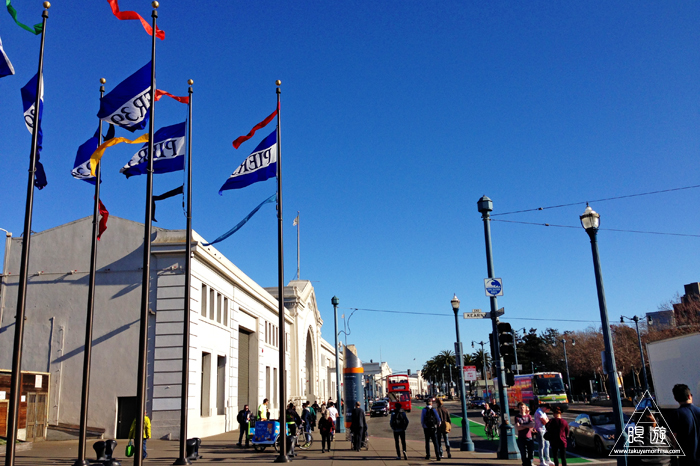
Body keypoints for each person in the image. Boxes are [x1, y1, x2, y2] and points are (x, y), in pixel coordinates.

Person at [671, 384, 700, 466]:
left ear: (675, 398)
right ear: (690, 396)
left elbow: (673, 438)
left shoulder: (676, 414)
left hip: (686, 460)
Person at [515, 402, 535, 466]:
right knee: (523, 453)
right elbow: (518, 428)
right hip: (521, 438)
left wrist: (522, 425)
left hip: (529, 437)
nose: (522, 409)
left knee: (531, 452)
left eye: (523, 407)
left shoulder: (528, 416)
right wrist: (527, 425)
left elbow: (531, 425)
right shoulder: (517, 417)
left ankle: (530, 463)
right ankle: (525, 463)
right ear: (519, 408)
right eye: (520, 407)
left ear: (526, 408)